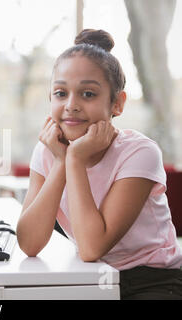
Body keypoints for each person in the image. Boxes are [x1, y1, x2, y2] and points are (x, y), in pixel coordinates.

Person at [17, 29, 182, 300]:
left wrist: (76, 159)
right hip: (92, 277)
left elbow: (93, 247)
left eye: (88, 94)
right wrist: (62, 162)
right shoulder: (48, 151)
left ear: (117, 103)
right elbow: (29, 244)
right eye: (60, 93)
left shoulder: (140, 152)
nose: (71, 105)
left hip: (153, 281)